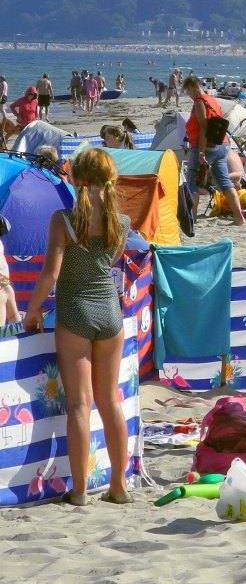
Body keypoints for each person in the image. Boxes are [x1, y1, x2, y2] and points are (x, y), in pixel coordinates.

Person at [21, 148, 132, 504]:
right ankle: (118, 486)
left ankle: (81, 491)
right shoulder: (122, 221)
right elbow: (109, 262)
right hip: (110, 315)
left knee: (80, 407)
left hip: (76, 313)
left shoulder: (63, 219)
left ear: (73, 177)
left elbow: (50, 274)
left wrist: (33, 312)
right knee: (111, 402)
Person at [184, 75, 246, 226]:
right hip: (223, 145)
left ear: (192, 88)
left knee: (192, 182)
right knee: (225, 183)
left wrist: (201, 152)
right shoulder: (212, 100)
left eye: (187, 91)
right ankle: (239, 218)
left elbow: (204, 128)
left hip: (207, 146)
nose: (188, 95)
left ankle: (191, 219)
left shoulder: (199, 102)